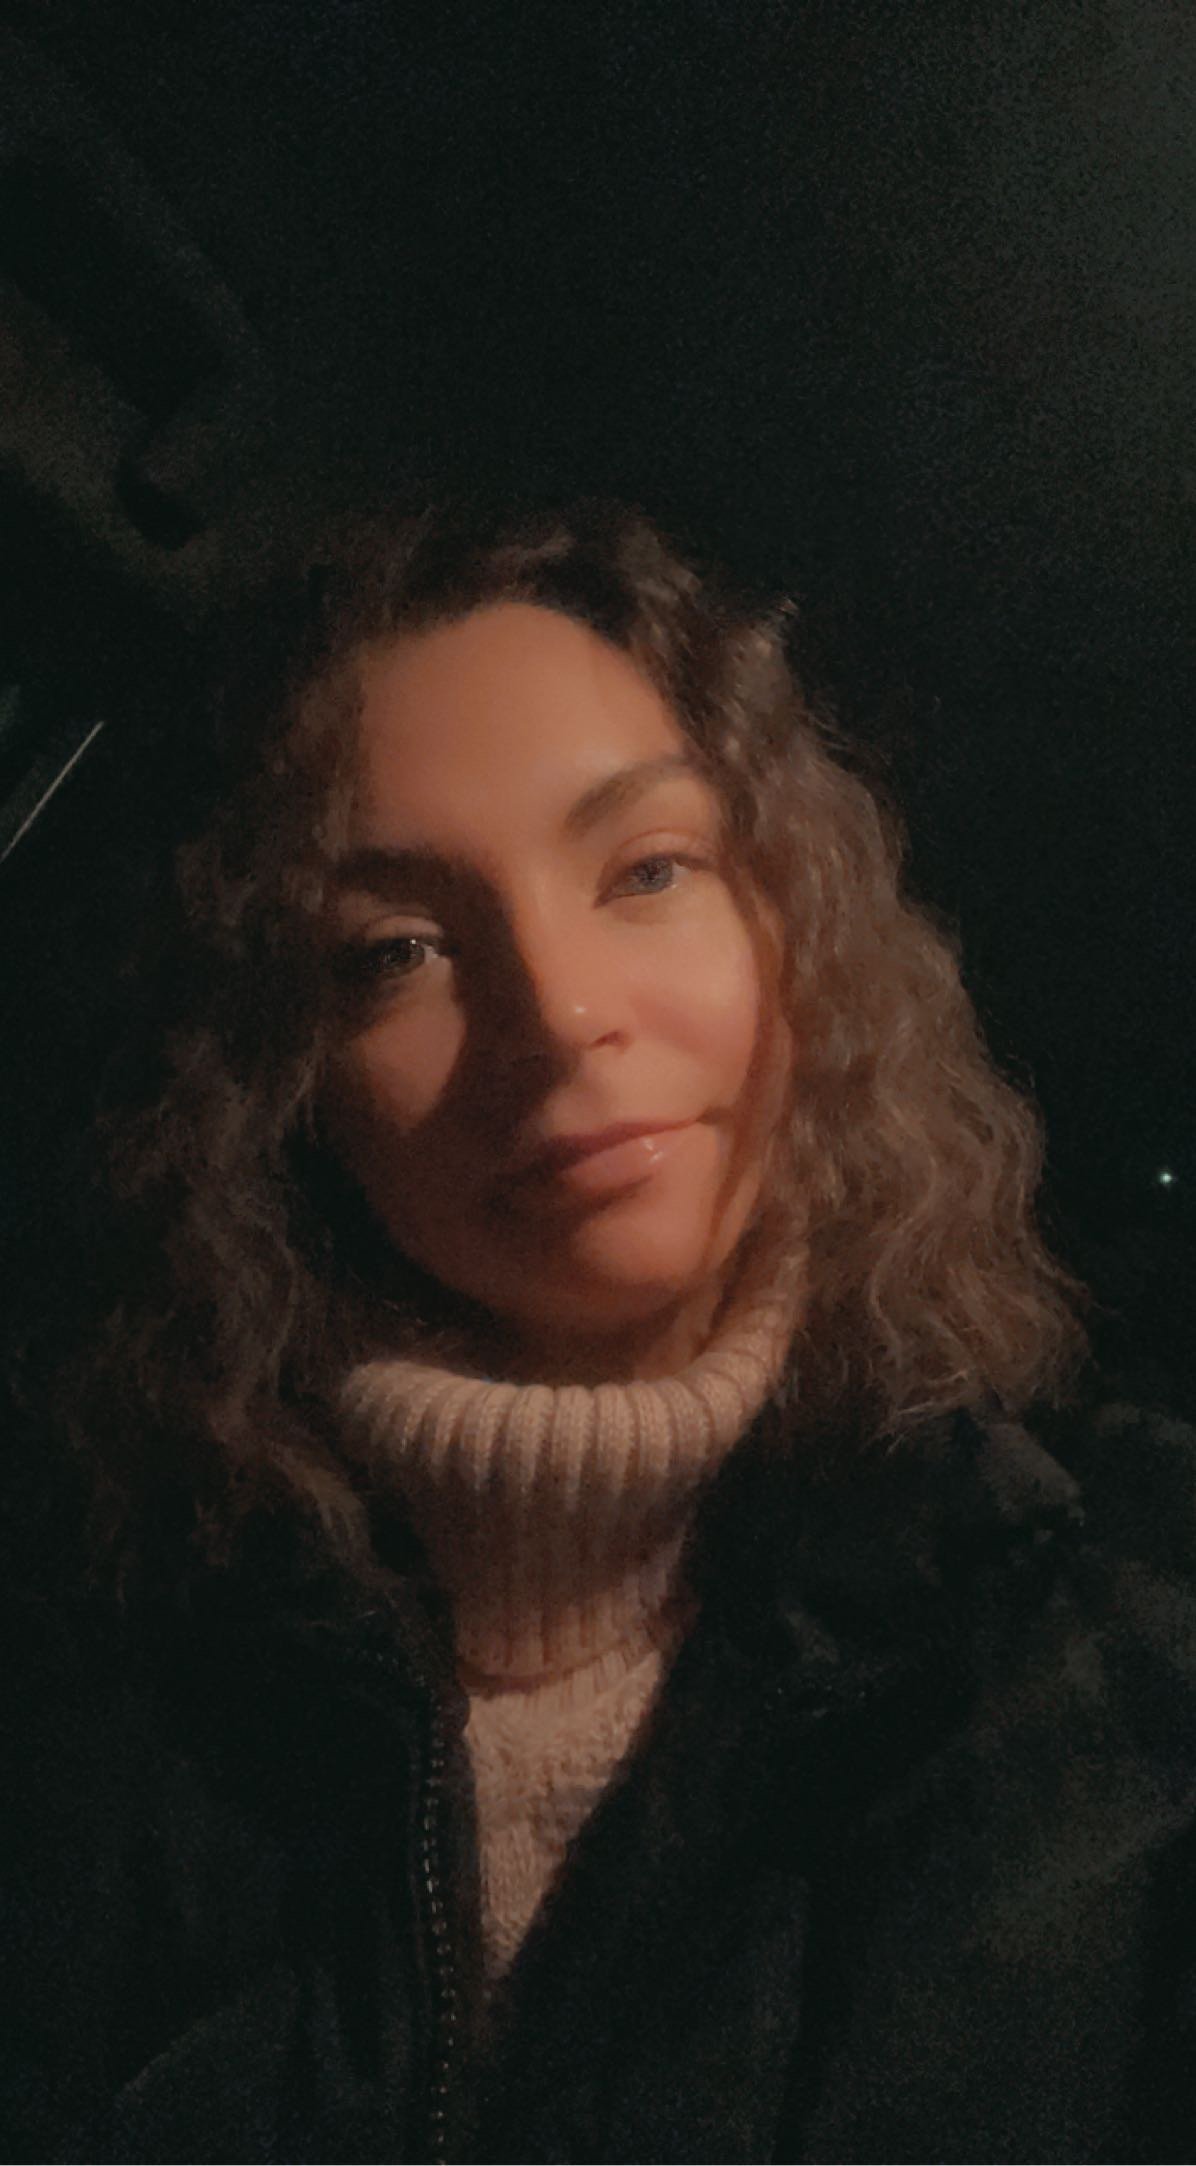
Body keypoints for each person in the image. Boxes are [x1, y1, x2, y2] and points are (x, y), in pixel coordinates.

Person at [2, 498, 1194, 2166]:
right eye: (394, 950)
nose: (558, 1014)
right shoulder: (99, 1642)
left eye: (648, 869)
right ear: (280, 1083)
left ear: (791, 923)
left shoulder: (1112, 1650)